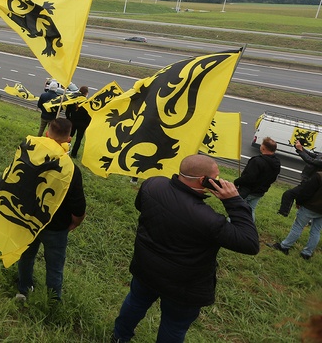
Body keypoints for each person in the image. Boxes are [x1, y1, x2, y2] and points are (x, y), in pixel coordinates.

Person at [111, 154, 259, 343]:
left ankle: (119, 336)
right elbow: (250, 243)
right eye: (216, 177)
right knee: (173, 326)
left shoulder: (153, 184)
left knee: (135, 302)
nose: (219, 180)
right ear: (202, 180)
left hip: (146, 268)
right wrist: (234, 201)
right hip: (184, 287)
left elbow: (140, 205)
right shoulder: (209, 220)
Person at [16, 118, 85, 303]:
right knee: (55, 266)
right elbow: (79, 208)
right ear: (69, 139)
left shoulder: (28, 154)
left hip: (29, 219)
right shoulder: (72, 170)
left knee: (26, 256)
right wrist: (72, 224)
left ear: (47, 134)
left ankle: (23, 289)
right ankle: (53, 301)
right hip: (56, 227)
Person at [272, 169, 322, 260]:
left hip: (310, 207)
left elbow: (306, 192)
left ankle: (284, 247)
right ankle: (307, 253)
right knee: (316, 231)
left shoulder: (318, 176)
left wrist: (299, 202)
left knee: (298, 226)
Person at [233, 137, 281, 220]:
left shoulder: (257, 161)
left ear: (263, 147)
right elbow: (273, 178)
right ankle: (249, 228)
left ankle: (232, 227)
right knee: (251, 210)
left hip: (247, 191)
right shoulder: (277, 162)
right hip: (260, 192)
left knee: (237, 210)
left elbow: (249, 178)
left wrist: (236, 182)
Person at [67, 86, 91, 159]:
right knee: (78, 139)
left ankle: (66, 150)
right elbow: (89, 115)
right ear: (86, 93)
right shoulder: (87, 103)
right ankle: (74, 154)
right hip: (82, 124)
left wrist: (69, 118)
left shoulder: (74, 100)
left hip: (73, 122)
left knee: (69, 136)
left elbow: (67, 111)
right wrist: (87, 124)